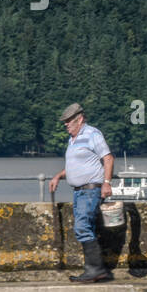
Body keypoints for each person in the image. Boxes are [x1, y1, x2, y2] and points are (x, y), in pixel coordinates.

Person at [48, 103, 114, 282]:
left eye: (69, 121)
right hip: (79, 192)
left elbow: (108, 158)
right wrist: (58, 176)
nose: (65, 124)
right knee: (87, 228)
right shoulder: (73, 140)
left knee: (82, 227)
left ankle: (96, 269)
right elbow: (76, 166)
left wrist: (106, 184)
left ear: (80, 119)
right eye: (65, 122)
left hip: (90, 190)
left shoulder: (93, 134)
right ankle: (94, 270)